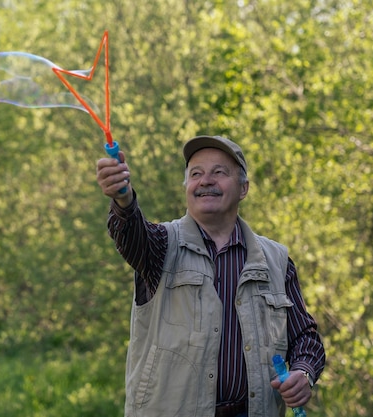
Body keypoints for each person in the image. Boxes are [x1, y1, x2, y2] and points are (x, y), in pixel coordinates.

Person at [96, 135, 326, 417]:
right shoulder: (160, 245)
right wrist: (123, 198)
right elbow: (130, 231)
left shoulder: (276, 260)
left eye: (219, 172)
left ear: (243, 188)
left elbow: (305, 336)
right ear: (186, 187)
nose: (205, 180)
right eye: (196, 174)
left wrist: (303, 373)